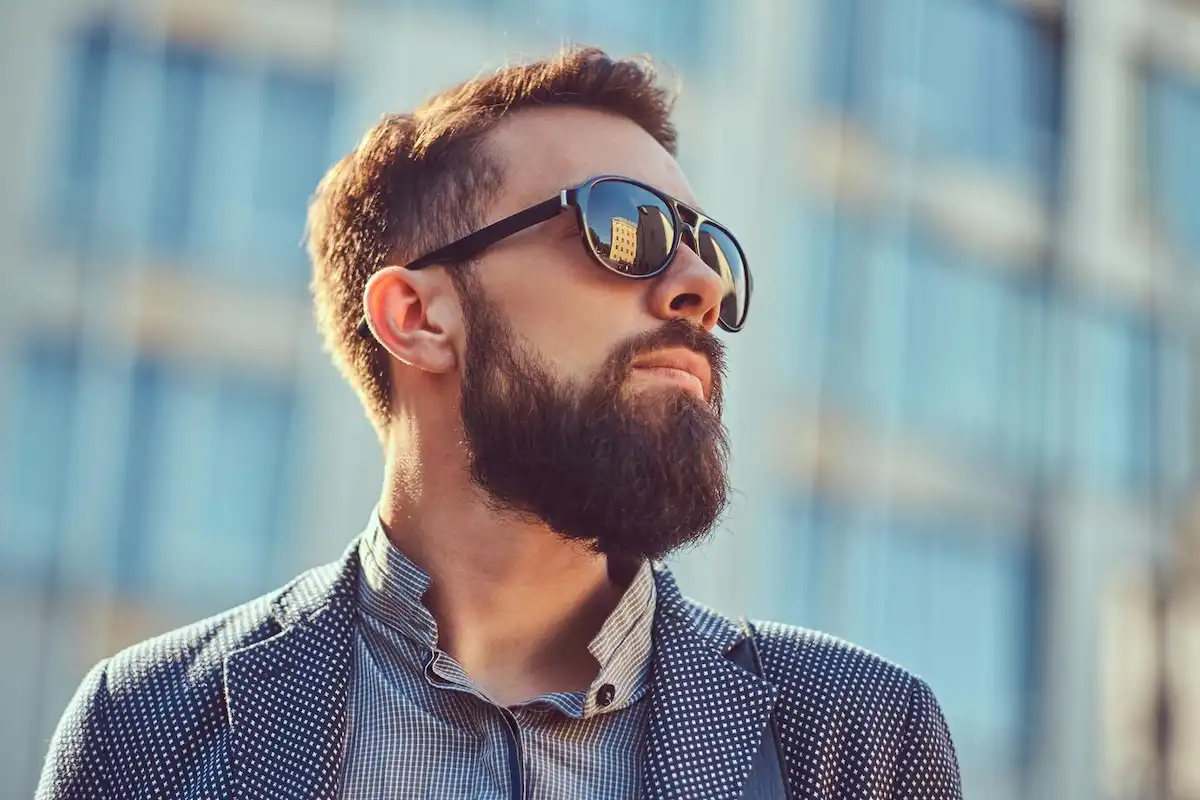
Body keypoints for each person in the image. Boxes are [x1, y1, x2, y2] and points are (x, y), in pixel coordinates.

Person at [37, 47, 962, 800]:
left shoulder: (858, 738)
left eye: (706, 245)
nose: (702, 286)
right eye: (624, 227)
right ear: (418, 317)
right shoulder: (146, 726)